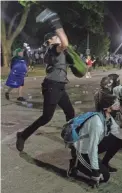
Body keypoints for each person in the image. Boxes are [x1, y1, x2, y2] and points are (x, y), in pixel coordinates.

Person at [16, 15, 75, 152]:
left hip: (59, 87)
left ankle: (70, 137)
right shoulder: (54, 48)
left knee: (70, 112)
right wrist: (55, 22)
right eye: (56, 36)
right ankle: (22, 135)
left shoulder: (58, 50)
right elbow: (65, 43)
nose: (58, 37)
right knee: (46, 117)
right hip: (52, 86)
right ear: (50, 40)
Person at [67, 91, 122, 184]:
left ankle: (103, 163)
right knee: (104, 177)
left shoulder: (108, 117)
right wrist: (95, 171)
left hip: (90, 146)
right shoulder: (97, 123)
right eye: (115, 104)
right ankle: (76, 164)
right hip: (82, 150)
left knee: (117, 140)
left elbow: (120, 135)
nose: (118, 106)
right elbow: (92, 148)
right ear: (107, 108)